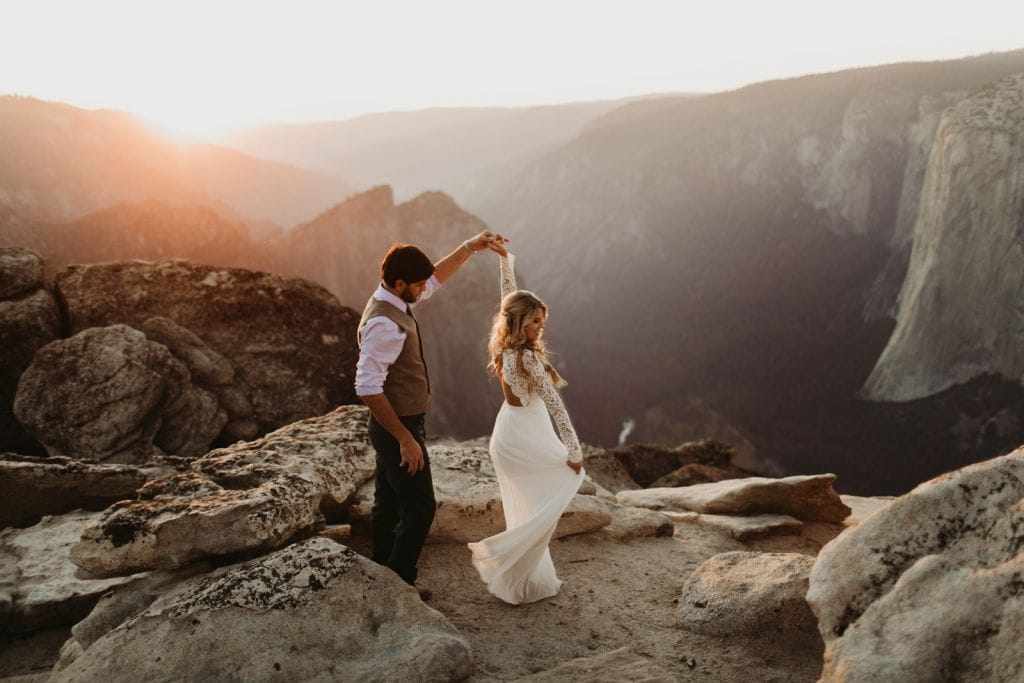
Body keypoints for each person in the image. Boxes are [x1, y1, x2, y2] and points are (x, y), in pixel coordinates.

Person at [356, 232, 502, 590]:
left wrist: (470, 247)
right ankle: (401, 581)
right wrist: (406, 439)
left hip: (397, 424)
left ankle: (382, 574)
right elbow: (367, 387)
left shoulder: (394, 298)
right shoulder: (384, 324)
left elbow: (436, 277)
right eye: (418, 286)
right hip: (398, 425)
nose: (424, 290)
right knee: (421, 508)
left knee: (387, 503)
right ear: (400, 283)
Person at [467, 239, 585, 604]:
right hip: (528, 433)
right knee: (565, 482)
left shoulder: (502, 344)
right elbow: (555, 406)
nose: (540, 327)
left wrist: (506, 261)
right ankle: (506, 562)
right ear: (520, 321)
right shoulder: (529, 360)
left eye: (542, 321)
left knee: (527, 512)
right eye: (535, 321)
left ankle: (525, 577)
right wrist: (574, 449)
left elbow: (508, 298)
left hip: (509, 431)